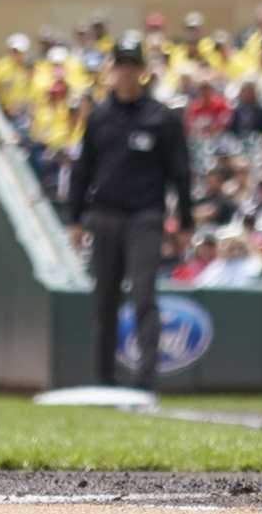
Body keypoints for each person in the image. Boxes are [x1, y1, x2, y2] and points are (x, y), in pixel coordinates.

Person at [63, 34, 193, 392]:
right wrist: (74, 219)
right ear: (112, 70)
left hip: (145, 216)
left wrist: (185, 221)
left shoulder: (161, 118)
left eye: (132, 66)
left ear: (142, 72)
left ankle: (144, 380)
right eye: (120, 65)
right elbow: (82, 169)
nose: (126, 73)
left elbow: (180, 172)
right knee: (104, 299)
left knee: (144, 295)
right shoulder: (99, 116)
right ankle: (104, 379)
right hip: (104, 215)